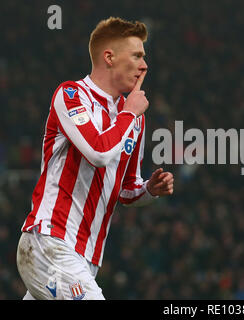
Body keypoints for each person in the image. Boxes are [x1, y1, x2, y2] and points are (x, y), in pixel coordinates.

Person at [16, 17, 174, 300]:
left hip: (86, 259)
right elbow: (98, 152)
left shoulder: (133, 119)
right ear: (109, 57)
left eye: (144, 57)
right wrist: (129, 114)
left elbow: (125, 189)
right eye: (137, 55)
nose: (144, 65)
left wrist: (149, 190)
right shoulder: (72, 95)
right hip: (51, 241)